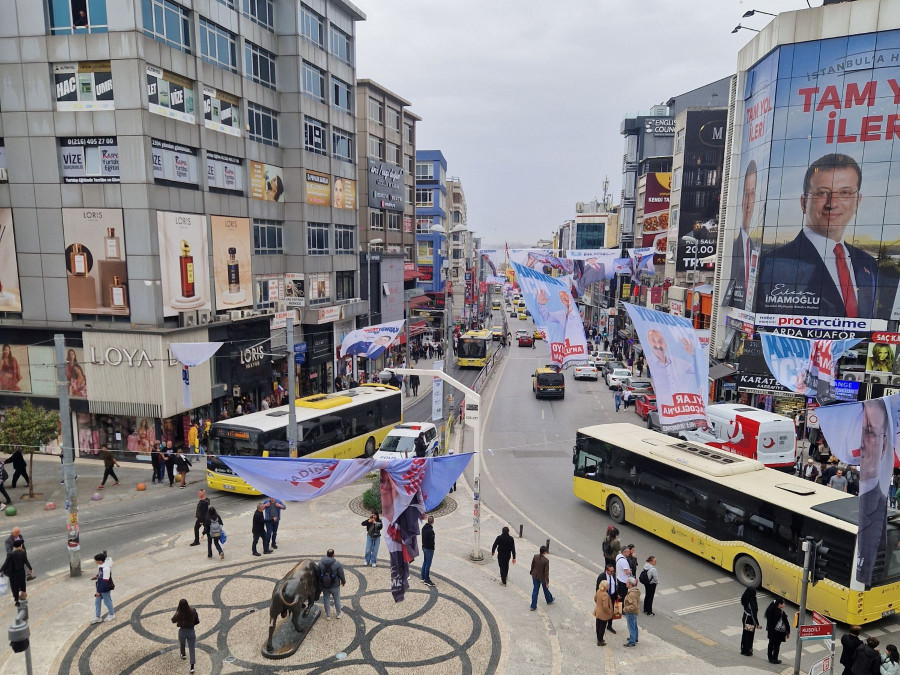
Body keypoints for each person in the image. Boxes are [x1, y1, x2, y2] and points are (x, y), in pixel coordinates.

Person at [755, 153, 877, 318]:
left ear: (857, 201)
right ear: (804, 203)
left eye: (845, 193)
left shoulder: (868, 264)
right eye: (822, 193)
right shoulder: (773, 264)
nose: (832, 203)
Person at [858, 398, 894, 586]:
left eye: (870, 433)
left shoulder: (877, 510)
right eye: (862, 431)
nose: (862, 442)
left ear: (884, 444)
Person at [644, 328, 701, 412]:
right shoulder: (650, 362)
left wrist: (693, 354)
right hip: (665, 411)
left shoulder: (678, 362)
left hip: (682, 409)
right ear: (648, 343)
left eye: (660, 341)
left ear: (666, 343)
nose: (658, 345)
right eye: (653, 340)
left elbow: (700, 371)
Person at [726, 160, 757, 310]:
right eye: (746, 194)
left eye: (752, 194)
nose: (749, 202)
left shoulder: (756, 249)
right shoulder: (731, 247)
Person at [0, 537, 32, 607]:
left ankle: (17, 601)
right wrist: (30, 569)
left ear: (14, 546)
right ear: (20, 545)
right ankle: (23, 599)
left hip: (13, 574)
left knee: (15, 587)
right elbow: (26, 561)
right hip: (21, 572)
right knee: (23, 585)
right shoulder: (23, 552)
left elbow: (6, 563)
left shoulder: (11, 554)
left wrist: (1, 570)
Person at [171, 599, 200, 673]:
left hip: (182, 631)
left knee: (182, 644)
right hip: (191, 631)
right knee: (192, 649)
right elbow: (197, 621)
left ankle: (183, 654)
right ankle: (192, 667)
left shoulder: (179, 614)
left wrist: (177, 611)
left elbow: (173, 620)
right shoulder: (193, 611)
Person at [317, 548, 346, 620]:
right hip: (335, 585)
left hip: (325, 585)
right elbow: (341, 573)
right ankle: (339, 614)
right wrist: (343, 581)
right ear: (333, 555)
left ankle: (328, 616)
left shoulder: (320, 563)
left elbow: (318, 573)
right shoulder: (337, 563)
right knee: (337, 599)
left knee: (326, 600)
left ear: (327, 554)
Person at [90, 551, 115, 624]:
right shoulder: (101, 566)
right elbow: (101, 575)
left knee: (107, 601)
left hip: (104, 588)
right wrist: (97, 576)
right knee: (97, 602)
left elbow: (105, 581)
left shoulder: (106, 568)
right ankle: (97, 617)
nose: (95, 561)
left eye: (96, 560)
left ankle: (112, 614)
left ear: (100, 561)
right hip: (100, 587)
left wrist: (98, 591)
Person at [764, 596, 789, 664]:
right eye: (783, 603)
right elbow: (786, 624)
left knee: (771, 643)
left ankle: (770, 657)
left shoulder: (770, 610)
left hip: (771, 631)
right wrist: (788, 632)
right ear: (779, 604)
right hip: (778, 632)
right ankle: (775, 659)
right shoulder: (781, 613)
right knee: (777, 645)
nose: (784, 604)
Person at [529, 545, 553, 611]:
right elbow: (546, 572)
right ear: (545, 552)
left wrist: (531, 572)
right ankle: (549, 600)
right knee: (545, 588)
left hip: (535, 575)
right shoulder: (546, 560)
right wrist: (547, 581)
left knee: (535, 590)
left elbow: (532, 565)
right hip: (542, 577)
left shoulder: (535, 556)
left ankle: (533, 606)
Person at [740, 586, 761, 656]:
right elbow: (753, 614)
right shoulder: (752, 602)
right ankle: (747, 650)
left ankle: (743, 649)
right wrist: (757, 624)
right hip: (749, 620)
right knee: (749, 635)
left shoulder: (745, 597)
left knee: (745, 634)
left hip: (745, 617)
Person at [593, 579, 614, 646]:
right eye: (608, 585)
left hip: (598, 611)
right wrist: (609, 611)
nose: (609, 586)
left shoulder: (599, 591)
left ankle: (598, 638)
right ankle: (600, 640)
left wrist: (598, 604)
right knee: (602, 627)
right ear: (605, 587)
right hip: (603, 614)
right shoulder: (605, 595)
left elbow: (595, 599)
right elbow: (605, 607)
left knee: (598, 626)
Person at [622, 576, 641, 647]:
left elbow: (633, 606)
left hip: (631, 613)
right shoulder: (635, 591)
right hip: (635, 612)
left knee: (631, 627)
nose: (626, 583)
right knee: (634, 625)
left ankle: (632, 641)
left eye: (627, 582)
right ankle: (635, 638)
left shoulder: (631, 594)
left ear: (630, 584)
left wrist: (625, 609)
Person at [421, 515, 435, 587]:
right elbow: (431, 543)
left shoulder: (424, 528)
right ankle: (427, 579)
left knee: (425, 562)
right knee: (428, 564)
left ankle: (423, 576)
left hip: (424, 547)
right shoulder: (431, 532)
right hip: (429, 549)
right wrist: (433, 549)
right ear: (433, 521)